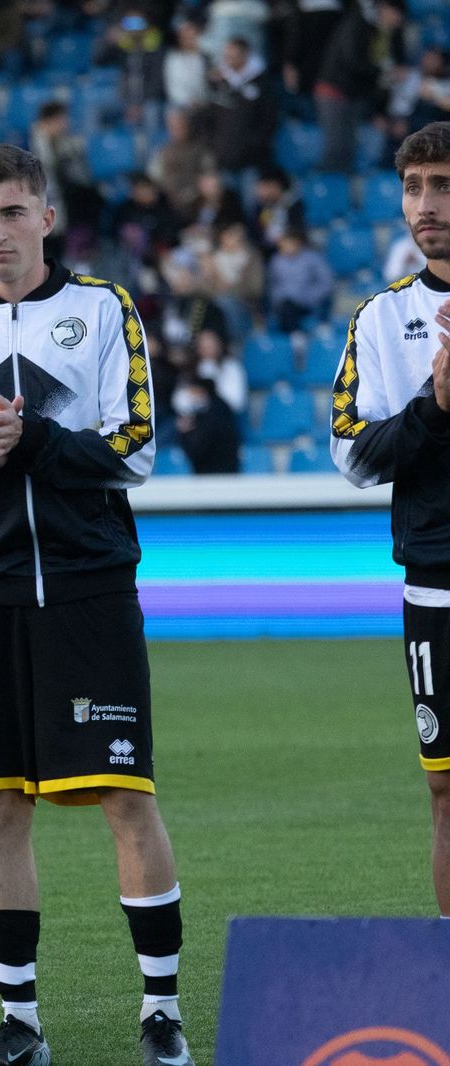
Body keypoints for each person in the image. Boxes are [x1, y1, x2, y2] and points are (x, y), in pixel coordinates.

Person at [0, 144, 191, 1066]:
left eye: (12, 213)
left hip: (88, 591)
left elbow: (135, 447)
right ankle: (20, 1023)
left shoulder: (101, 310)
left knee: (124, 798)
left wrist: (33, 442)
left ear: (46, 217)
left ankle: (161, 1012)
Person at [331, 121, 450, 921]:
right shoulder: (381, 320)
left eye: (442, 185)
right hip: (438, 583)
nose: (426, 205)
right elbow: (354, 456)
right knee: (445, 790)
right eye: (413, 187)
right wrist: (436, 407)